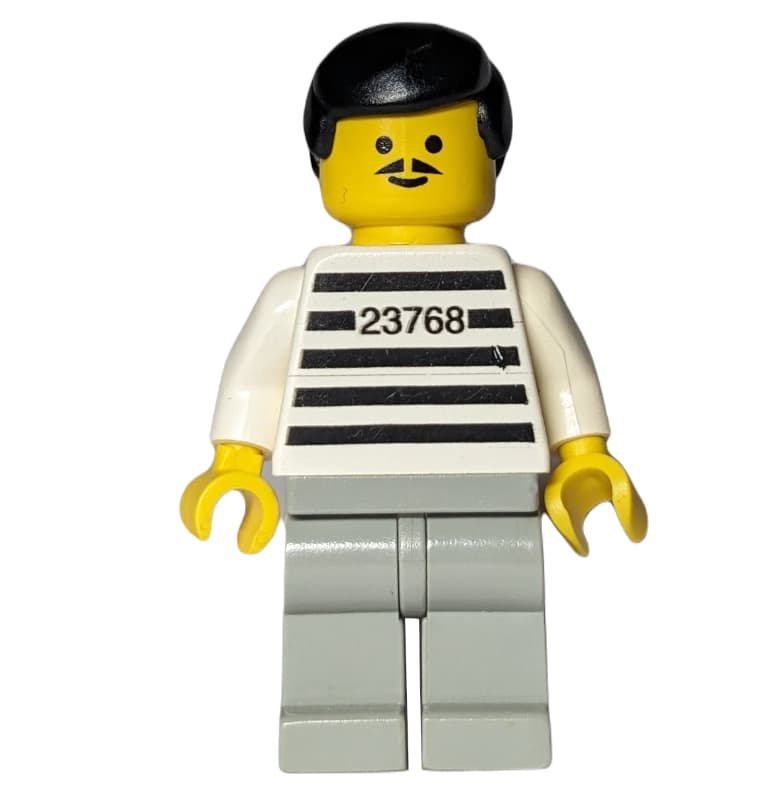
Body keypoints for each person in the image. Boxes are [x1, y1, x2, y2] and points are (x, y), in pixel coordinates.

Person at [180, 22, 647, 772]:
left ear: (490, 155)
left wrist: (585, 455)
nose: (405, 160)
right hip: (333, 501)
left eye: (434, 143)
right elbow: (257, 379)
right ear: (324, 160)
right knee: (333, 613)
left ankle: (491, 726)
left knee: (493, 613)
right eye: (379, 144)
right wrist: (235, 461)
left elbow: (564, 375)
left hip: (491, 498)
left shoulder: (518, 287)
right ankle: (338, 723)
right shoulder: (299, 293)